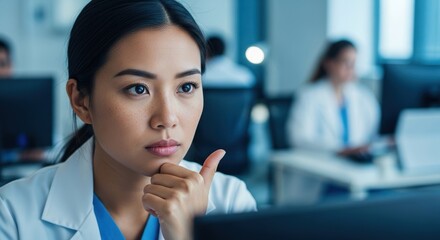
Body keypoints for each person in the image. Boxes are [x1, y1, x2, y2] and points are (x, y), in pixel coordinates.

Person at [0, 0, 257, 239]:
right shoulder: (12, 215)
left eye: (187, 87)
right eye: (138, 88)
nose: (167, 118)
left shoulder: (231, 203)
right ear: (81, 100)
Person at [287, 39, 380, 155]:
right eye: (346, 63)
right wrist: (338, 149)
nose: (351, 69)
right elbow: (298, 139)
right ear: (329, 63)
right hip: (322, 163)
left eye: (353, 64)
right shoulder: (309, 95)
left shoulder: (364, 97)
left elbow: (372, 136)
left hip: (354, 164)